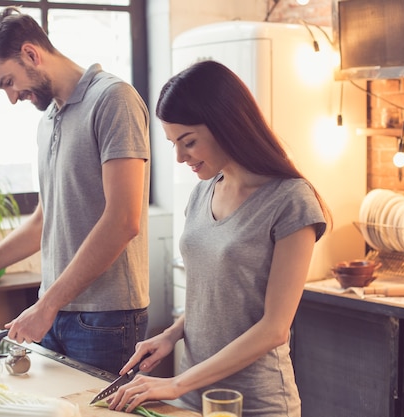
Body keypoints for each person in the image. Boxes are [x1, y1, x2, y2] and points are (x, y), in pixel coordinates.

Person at [107, 60, 331, 416]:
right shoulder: (202, 193)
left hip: (257, 403)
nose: (180, 157)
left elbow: (274, 328)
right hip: (194, 397)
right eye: (173, 144)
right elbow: (216, 296)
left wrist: (176, 383)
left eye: (189, 142)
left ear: (227, 125)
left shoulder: (290, 200)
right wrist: (172, 335)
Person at [0, 6, 151, 375]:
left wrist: (47, 305)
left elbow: (123, 221)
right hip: (55, 314)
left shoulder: (113, 100)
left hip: (106, 319)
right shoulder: (49, 119)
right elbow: (43, 221)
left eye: (8, 82)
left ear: (32, 55)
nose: (12, 97)